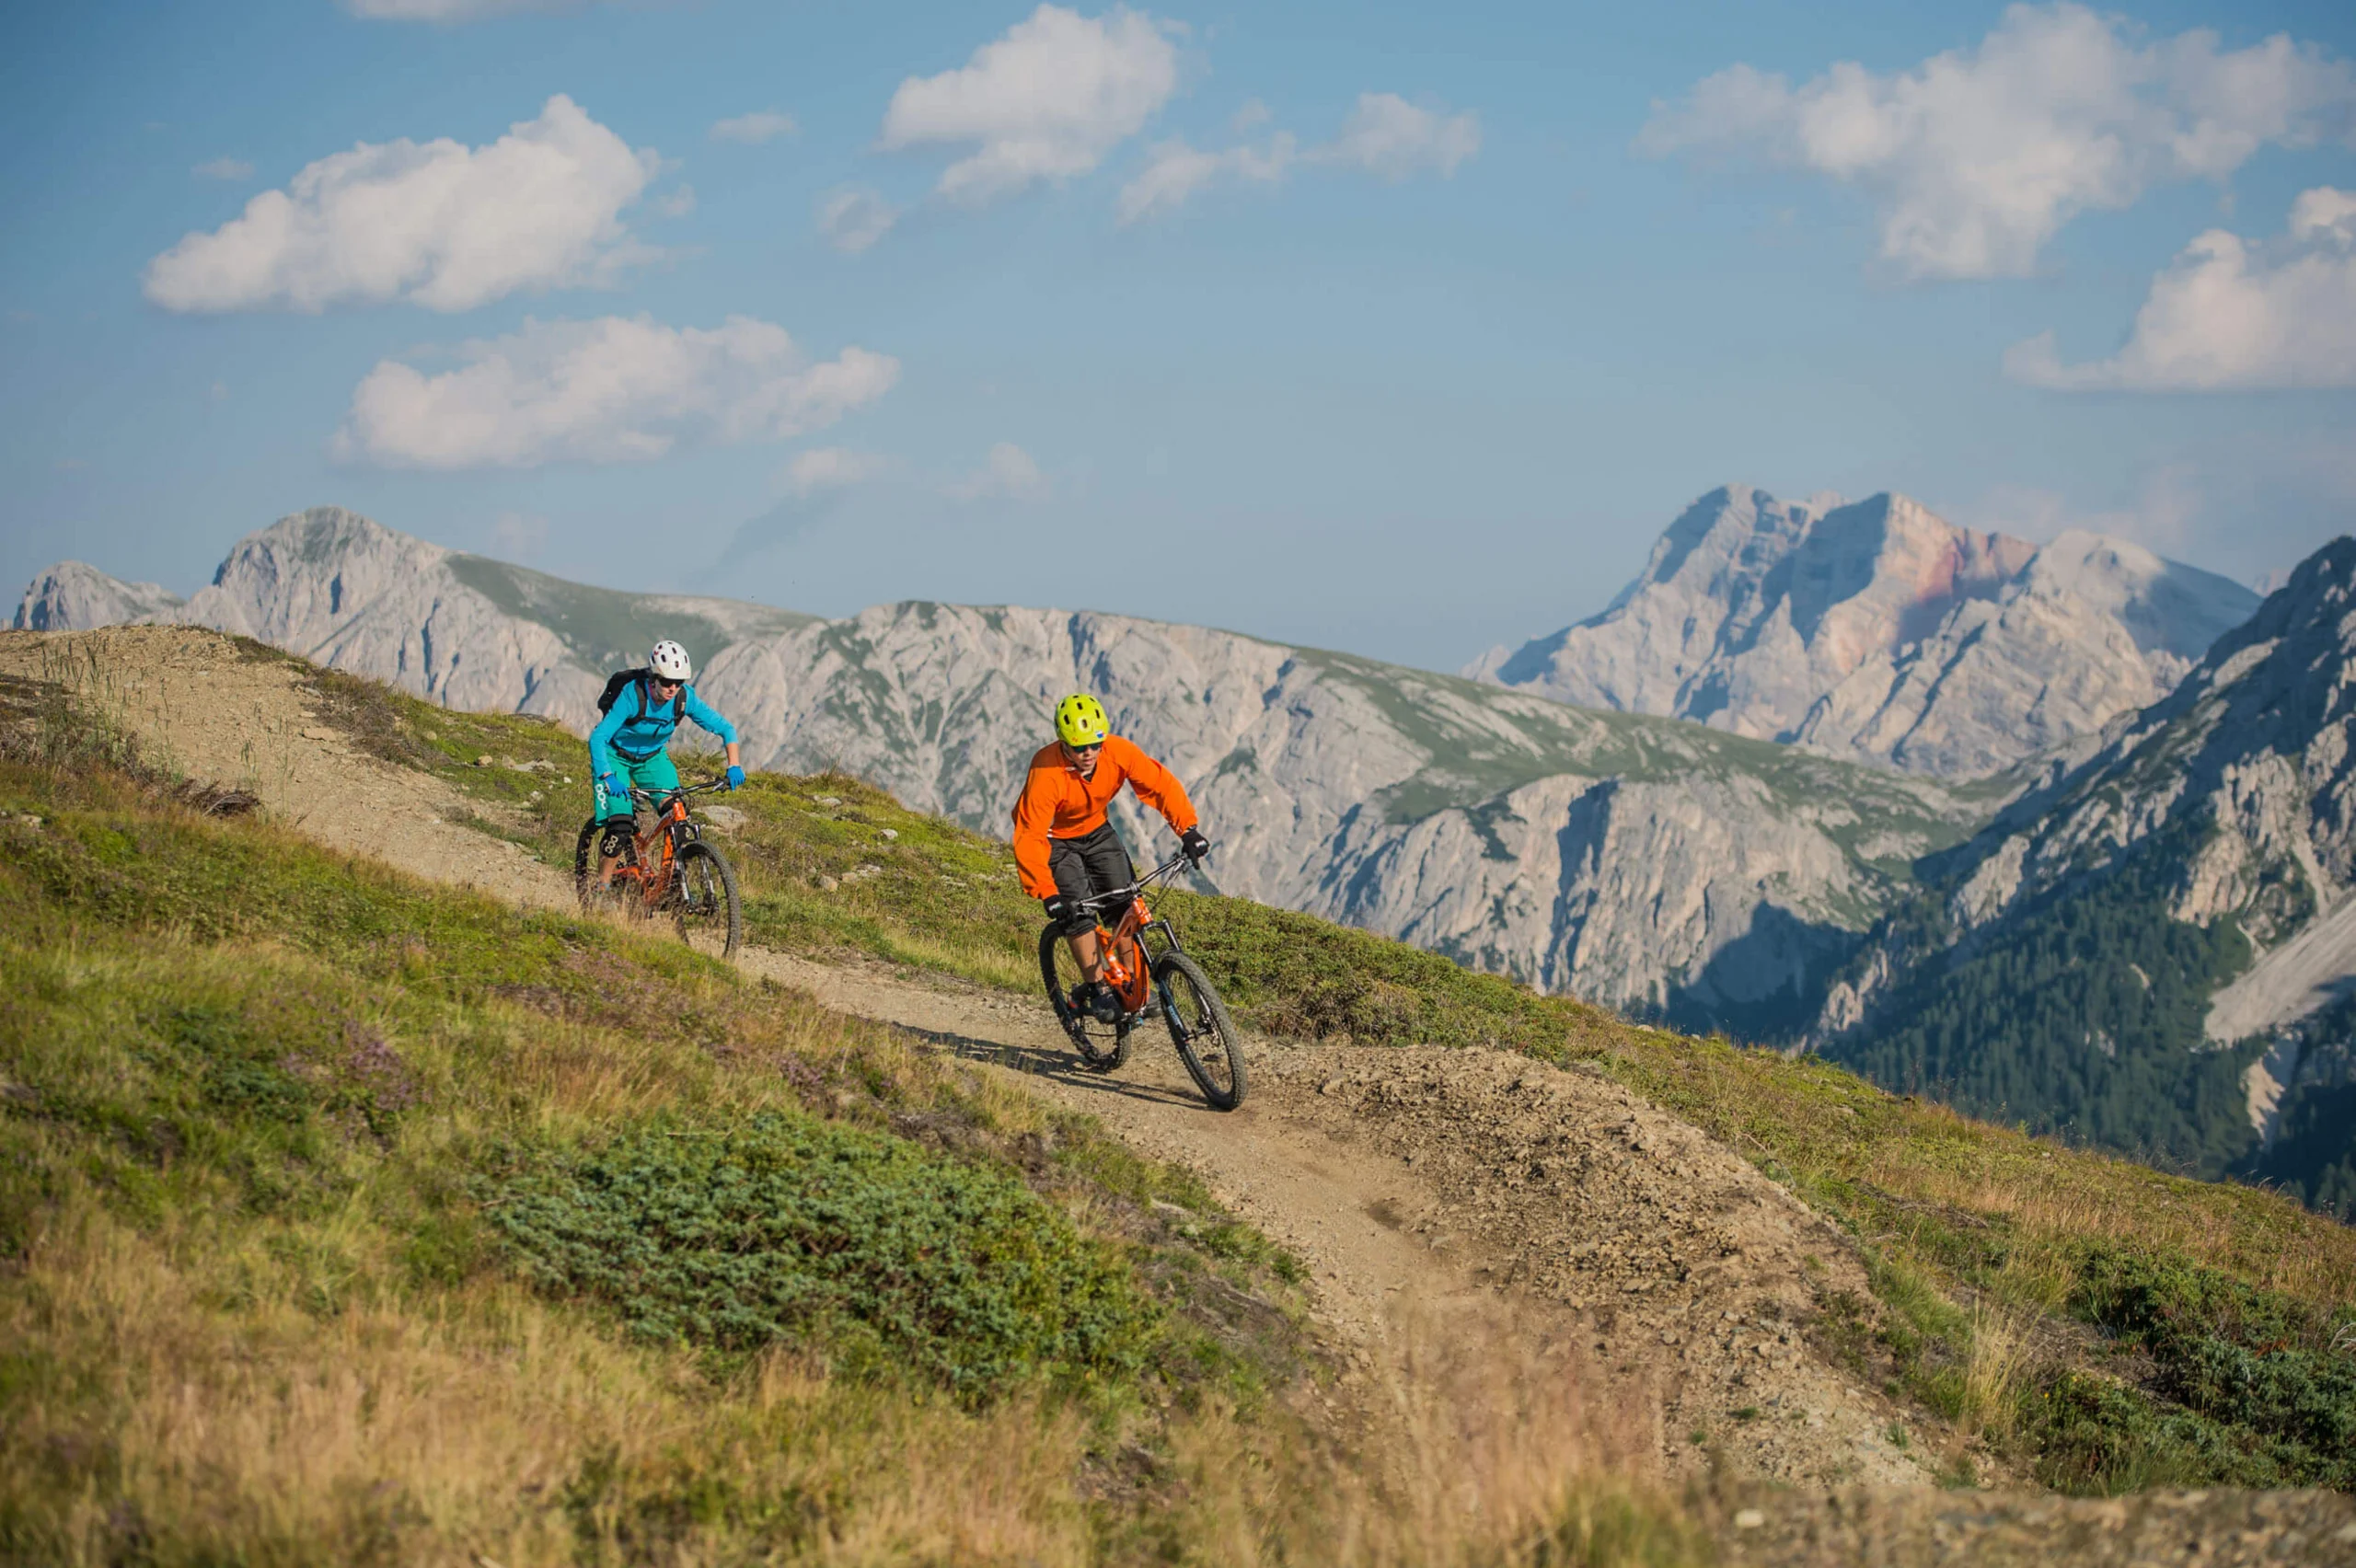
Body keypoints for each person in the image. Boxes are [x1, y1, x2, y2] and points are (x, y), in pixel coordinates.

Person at [1011, 693, 1210, 1022]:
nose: (1089, 753)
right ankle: (1097, 989)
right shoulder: (1046, 771)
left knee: (1125, 905)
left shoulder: (1119, 752)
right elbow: (1030, 834)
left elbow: (1160, 785)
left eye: (1095, 744)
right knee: (1078, 913)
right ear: (1063, 744)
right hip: (1056, 840)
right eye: (1079, 747)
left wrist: (1187, 830)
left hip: (1098, 831)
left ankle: (1134, 988)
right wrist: (1046, 891)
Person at [589, 640, 745, 889]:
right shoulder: (633, 695)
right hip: (614, 756)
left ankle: (670, 884)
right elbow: (598, 738)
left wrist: (734, 765)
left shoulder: (684, 698)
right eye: (667, 682)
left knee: (678, 816)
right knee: (619, 826)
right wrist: (607, 775)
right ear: (654, 678)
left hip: (653, 759)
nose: (672, 688)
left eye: (678, 682)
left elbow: (726, 728)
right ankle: (602, 884)